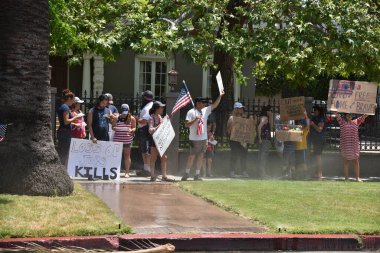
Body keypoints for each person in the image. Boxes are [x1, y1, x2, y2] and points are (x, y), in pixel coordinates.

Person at [181, 92, 224, 181]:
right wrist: (195, 119)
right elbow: (186, 125)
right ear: (198, 103)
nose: (204, 104)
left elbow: (215, 105)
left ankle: (197, 175)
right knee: (192, 156)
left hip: (203, 139)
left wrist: (220, 96)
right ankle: (186, 173)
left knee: (201, 156)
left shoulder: (205, 110)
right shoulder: (191, 112)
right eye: (203, 102)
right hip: (194, 139)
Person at [332, 111, 368, 182]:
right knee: (346, 161)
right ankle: (346, 178)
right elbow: (336, 114)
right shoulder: (342, 122)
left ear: (352, 116)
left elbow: (364, 115)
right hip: (346, 145)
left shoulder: (356, 121)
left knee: (356, 161)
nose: (349, 116)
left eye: (350, 115)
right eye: (348, 115)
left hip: (354, 145)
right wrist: (333, 109)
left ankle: (357, 178)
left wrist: (372, 107)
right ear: (345, 116)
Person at [148, 101, 175, 182]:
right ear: (157, 108)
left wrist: (168, 120)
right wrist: (160, 125)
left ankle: (164, 176)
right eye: (161, 107)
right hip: (155, 141)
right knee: (153, 158)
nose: (162, 108)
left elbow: (165, 127)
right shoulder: (151, 117)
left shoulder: (160, 116)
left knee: (164, 158)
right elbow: (150, 130)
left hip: (161, 141)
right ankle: (152, 176)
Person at [57, 91, 83, 165]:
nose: (73, 101)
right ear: (68, 98)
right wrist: (76, 117)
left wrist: (74, 124)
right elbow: (66, 121)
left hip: (63, 132)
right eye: (72, 99)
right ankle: (62, 170)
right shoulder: (65, 107)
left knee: (63, 152)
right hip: (65, 133)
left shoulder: (63, 106)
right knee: (64, 153)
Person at [226, 102, 250, 178]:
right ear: (236, 109)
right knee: (234, 155)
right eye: (240, 108)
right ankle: (232, 172)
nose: (242, 109)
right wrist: (233, 125)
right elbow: (228, 131)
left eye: (242, 108)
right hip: (234, 140)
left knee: (244, 156)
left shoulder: (245, 118)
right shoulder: (231, 118)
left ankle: (244, 172)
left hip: (243, 140)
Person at [112, 104, 136, 178]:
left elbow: (134, 128)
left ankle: (127, 172)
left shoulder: (132, 118)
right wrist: (115, 128)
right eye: (123, 113)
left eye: (125, 113)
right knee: (116, 156)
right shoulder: (116, 118)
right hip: (117, 139)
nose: (124, 115)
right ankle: (115, 171)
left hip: (127, 139)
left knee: (127, 155)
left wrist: (131, 130)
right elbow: (113, 127)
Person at [137, 90, 154, 176]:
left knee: (146, 150)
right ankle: (146, 168)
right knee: (144, 150)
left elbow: (144, 121)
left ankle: (148, 169)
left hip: (145, 129)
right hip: (144, 130)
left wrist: (135, 118)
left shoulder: (147, 108)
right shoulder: (148, 106)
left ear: (145, 98)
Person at [309, 105, 326, 179]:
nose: (314, 112)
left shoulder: (321, 119)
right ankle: (317, 172)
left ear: (318, 111)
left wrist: (313, 124)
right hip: (315, 139)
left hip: (319, 139)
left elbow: (319, 129)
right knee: (316, 156)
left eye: (315, 110)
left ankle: (319, 173)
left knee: (318, 156)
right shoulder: (314, 118)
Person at [295, 111, 310, 179]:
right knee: (298, 163)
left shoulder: (305, 130)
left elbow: (308, 124)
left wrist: (306, 115)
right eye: (299, 123)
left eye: (301, 124)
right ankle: (298, 175)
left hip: (302, 148)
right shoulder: (296, 130)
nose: (299, 125)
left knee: (303, 163)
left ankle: (305, 175)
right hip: (296, 149)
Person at [257, 105, 272, 179]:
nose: (271, 112)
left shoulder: (263, 118)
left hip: (264, 139)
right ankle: (262, 174)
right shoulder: (265, 118)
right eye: (270, 111)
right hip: (265, 139)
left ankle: (262, 173)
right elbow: (259, 127)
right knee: (263, 156)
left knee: (262, 156)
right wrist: (259, 138)